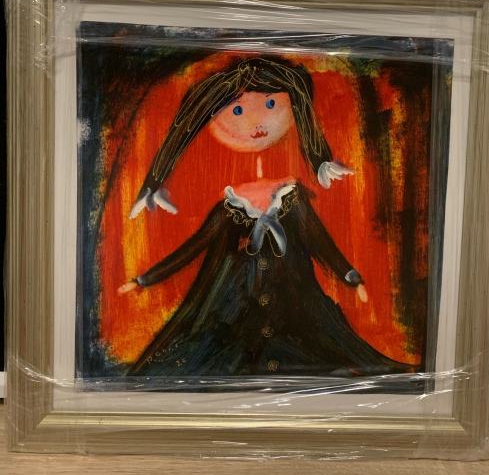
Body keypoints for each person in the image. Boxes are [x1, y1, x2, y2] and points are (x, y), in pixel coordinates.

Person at [118, 55, 412, 378]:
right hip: (231, 310)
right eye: (238, 111)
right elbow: (193, 248)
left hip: (294, 305)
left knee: (306, 356)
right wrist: (145, 280)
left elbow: (320, 243)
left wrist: (351, 277)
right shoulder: (230, 208)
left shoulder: (292, 200)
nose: (257, 124)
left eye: (271, 104)